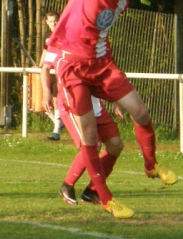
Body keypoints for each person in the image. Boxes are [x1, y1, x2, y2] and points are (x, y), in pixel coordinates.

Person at [45, 0, 177, 219]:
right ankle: (104, 198)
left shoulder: (122, 3)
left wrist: (113, 92)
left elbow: (101, 37)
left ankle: (151, 165)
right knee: (90, 136)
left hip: (101, 64)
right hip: (72, 65)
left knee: (141, 111)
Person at [40, 43, 124, 205]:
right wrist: (47, 93)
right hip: (73, 106)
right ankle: (67, 185)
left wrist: (115, 98)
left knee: (115, 145)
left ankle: (91, 191)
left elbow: (107, 71)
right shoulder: (59, 44)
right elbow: (45, 68)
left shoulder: (96, 42)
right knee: (93, 144)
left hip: (96, 106)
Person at [44, 11, 64, 141]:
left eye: (55, 20)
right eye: (50, 21)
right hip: (50, 70)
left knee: (57, 100)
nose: (53, 23)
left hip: (61, 71)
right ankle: (60, 123)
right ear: (47, 22)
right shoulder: (47, 36)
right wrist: (40, 66)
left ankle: (56, 130)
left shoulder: (65, 34)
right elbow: (46, 52)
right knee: (44, 101)